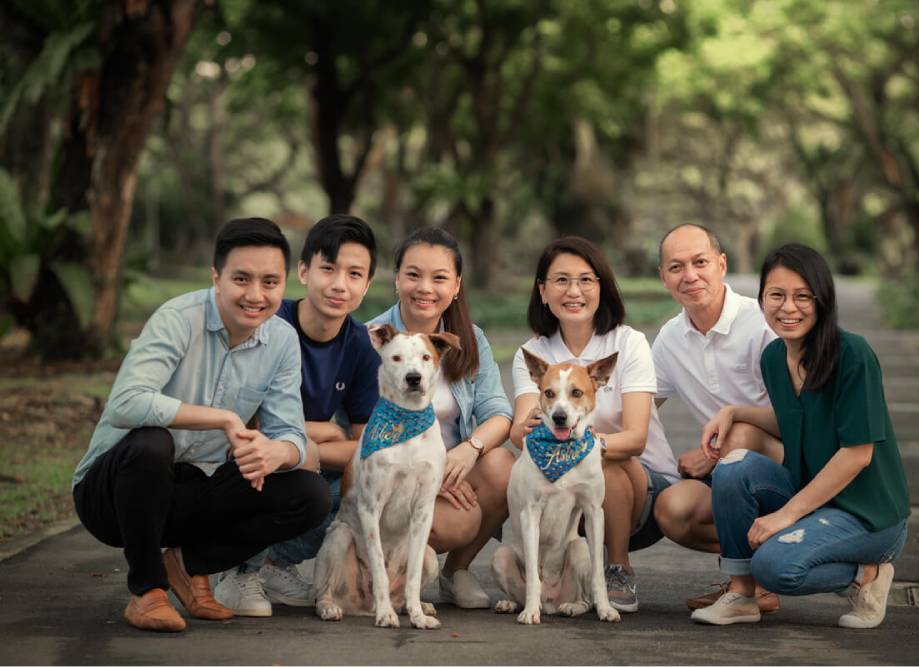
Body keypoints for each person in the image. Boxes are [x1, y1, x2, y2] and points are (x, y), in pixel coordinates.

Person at [72, 218, 332, 632]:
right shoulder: (178, 319)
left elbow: (291, 433)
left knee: (310, 493)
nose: (255, 295)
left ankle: (188, 564)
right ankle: (146, 591)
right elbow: (125, 403)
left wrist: (276, 452)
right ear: (216, 277)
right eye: (241, 279)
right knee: (152, 444)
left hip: (191, 491)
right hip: (114, 494)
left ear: (285, 284)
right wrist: (224, 418)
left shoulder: (282, 340)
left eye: (270, 282)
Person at [691, 243, 910, 628]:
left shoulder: (852, 354)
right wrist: (734, 411)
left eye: (802, 296)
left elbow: (857, 453)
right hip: (812, 494)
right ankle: (742, 595)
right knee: (733, 467)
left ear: (821, 300)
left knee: (775, 566)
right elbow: (796, 420)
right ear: (761, 299)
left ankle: (868, 574)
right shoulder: (775, 357)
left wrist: (784, 516)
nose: (788, 307)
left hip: (868, 514)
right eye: (776, 295)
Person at [213, 215, 381, 616]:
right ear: (303, 271)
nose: (340, 284)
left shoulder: (360, 346)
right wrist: (317, 432)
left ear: (367, 284)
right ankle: (237, 573)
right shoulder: (270, 322)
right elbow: (247, 425)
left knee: (360, 485)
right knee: (298, 461)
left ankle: (273, 565)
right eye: (328, 268)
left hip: (300, 461)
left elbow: (366, 445)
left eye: (354, 273)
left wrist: (314, 443)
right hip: (239, 457)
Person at [510, 236, 679, 614]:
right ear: (543, 291)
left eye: (586, 280)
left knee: (605, 459)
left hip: (641, 489)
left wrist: (581, 443)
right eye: (561, 280)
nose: (574, 291)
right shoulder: (534, 354)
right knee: (521, 468)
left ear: (602, 287)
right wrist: (530, 425)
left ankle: (618, 568)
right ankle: (552, 580)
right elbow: (518, 431)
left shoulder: (628, 344)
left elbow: (635, 439)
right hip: (568, 501)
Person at [368, 226, 514, 608]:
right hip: (394, 474)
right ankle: (386, 572)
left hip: (453, 469)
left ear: (457, 285)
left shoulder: (469, 338)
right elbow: (362, 431)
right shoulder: (372, 339)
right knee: (461, 522)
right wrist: (427, 471)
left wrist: (469, 449)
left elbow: (499, 414)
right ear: (397, 278)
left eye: (439, 278)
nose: (425, 288)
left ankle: (456, 573)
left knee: (502, 465)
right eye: (413, 275)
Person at [649, 223, 783, 612]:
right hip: (726, 474)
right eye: (676, 267)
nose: (689, 276)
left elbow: (800, 415)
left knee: (738, 436)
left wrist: (710, 455)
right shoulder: (670, 338)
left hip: (787, 466)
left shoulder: (761, 322)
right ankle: (753, 581)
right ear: (663, 277)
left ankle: (755, 579)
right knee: (671, 510)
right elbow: (637, 410)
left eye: (700, 262)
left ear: (721, 265)